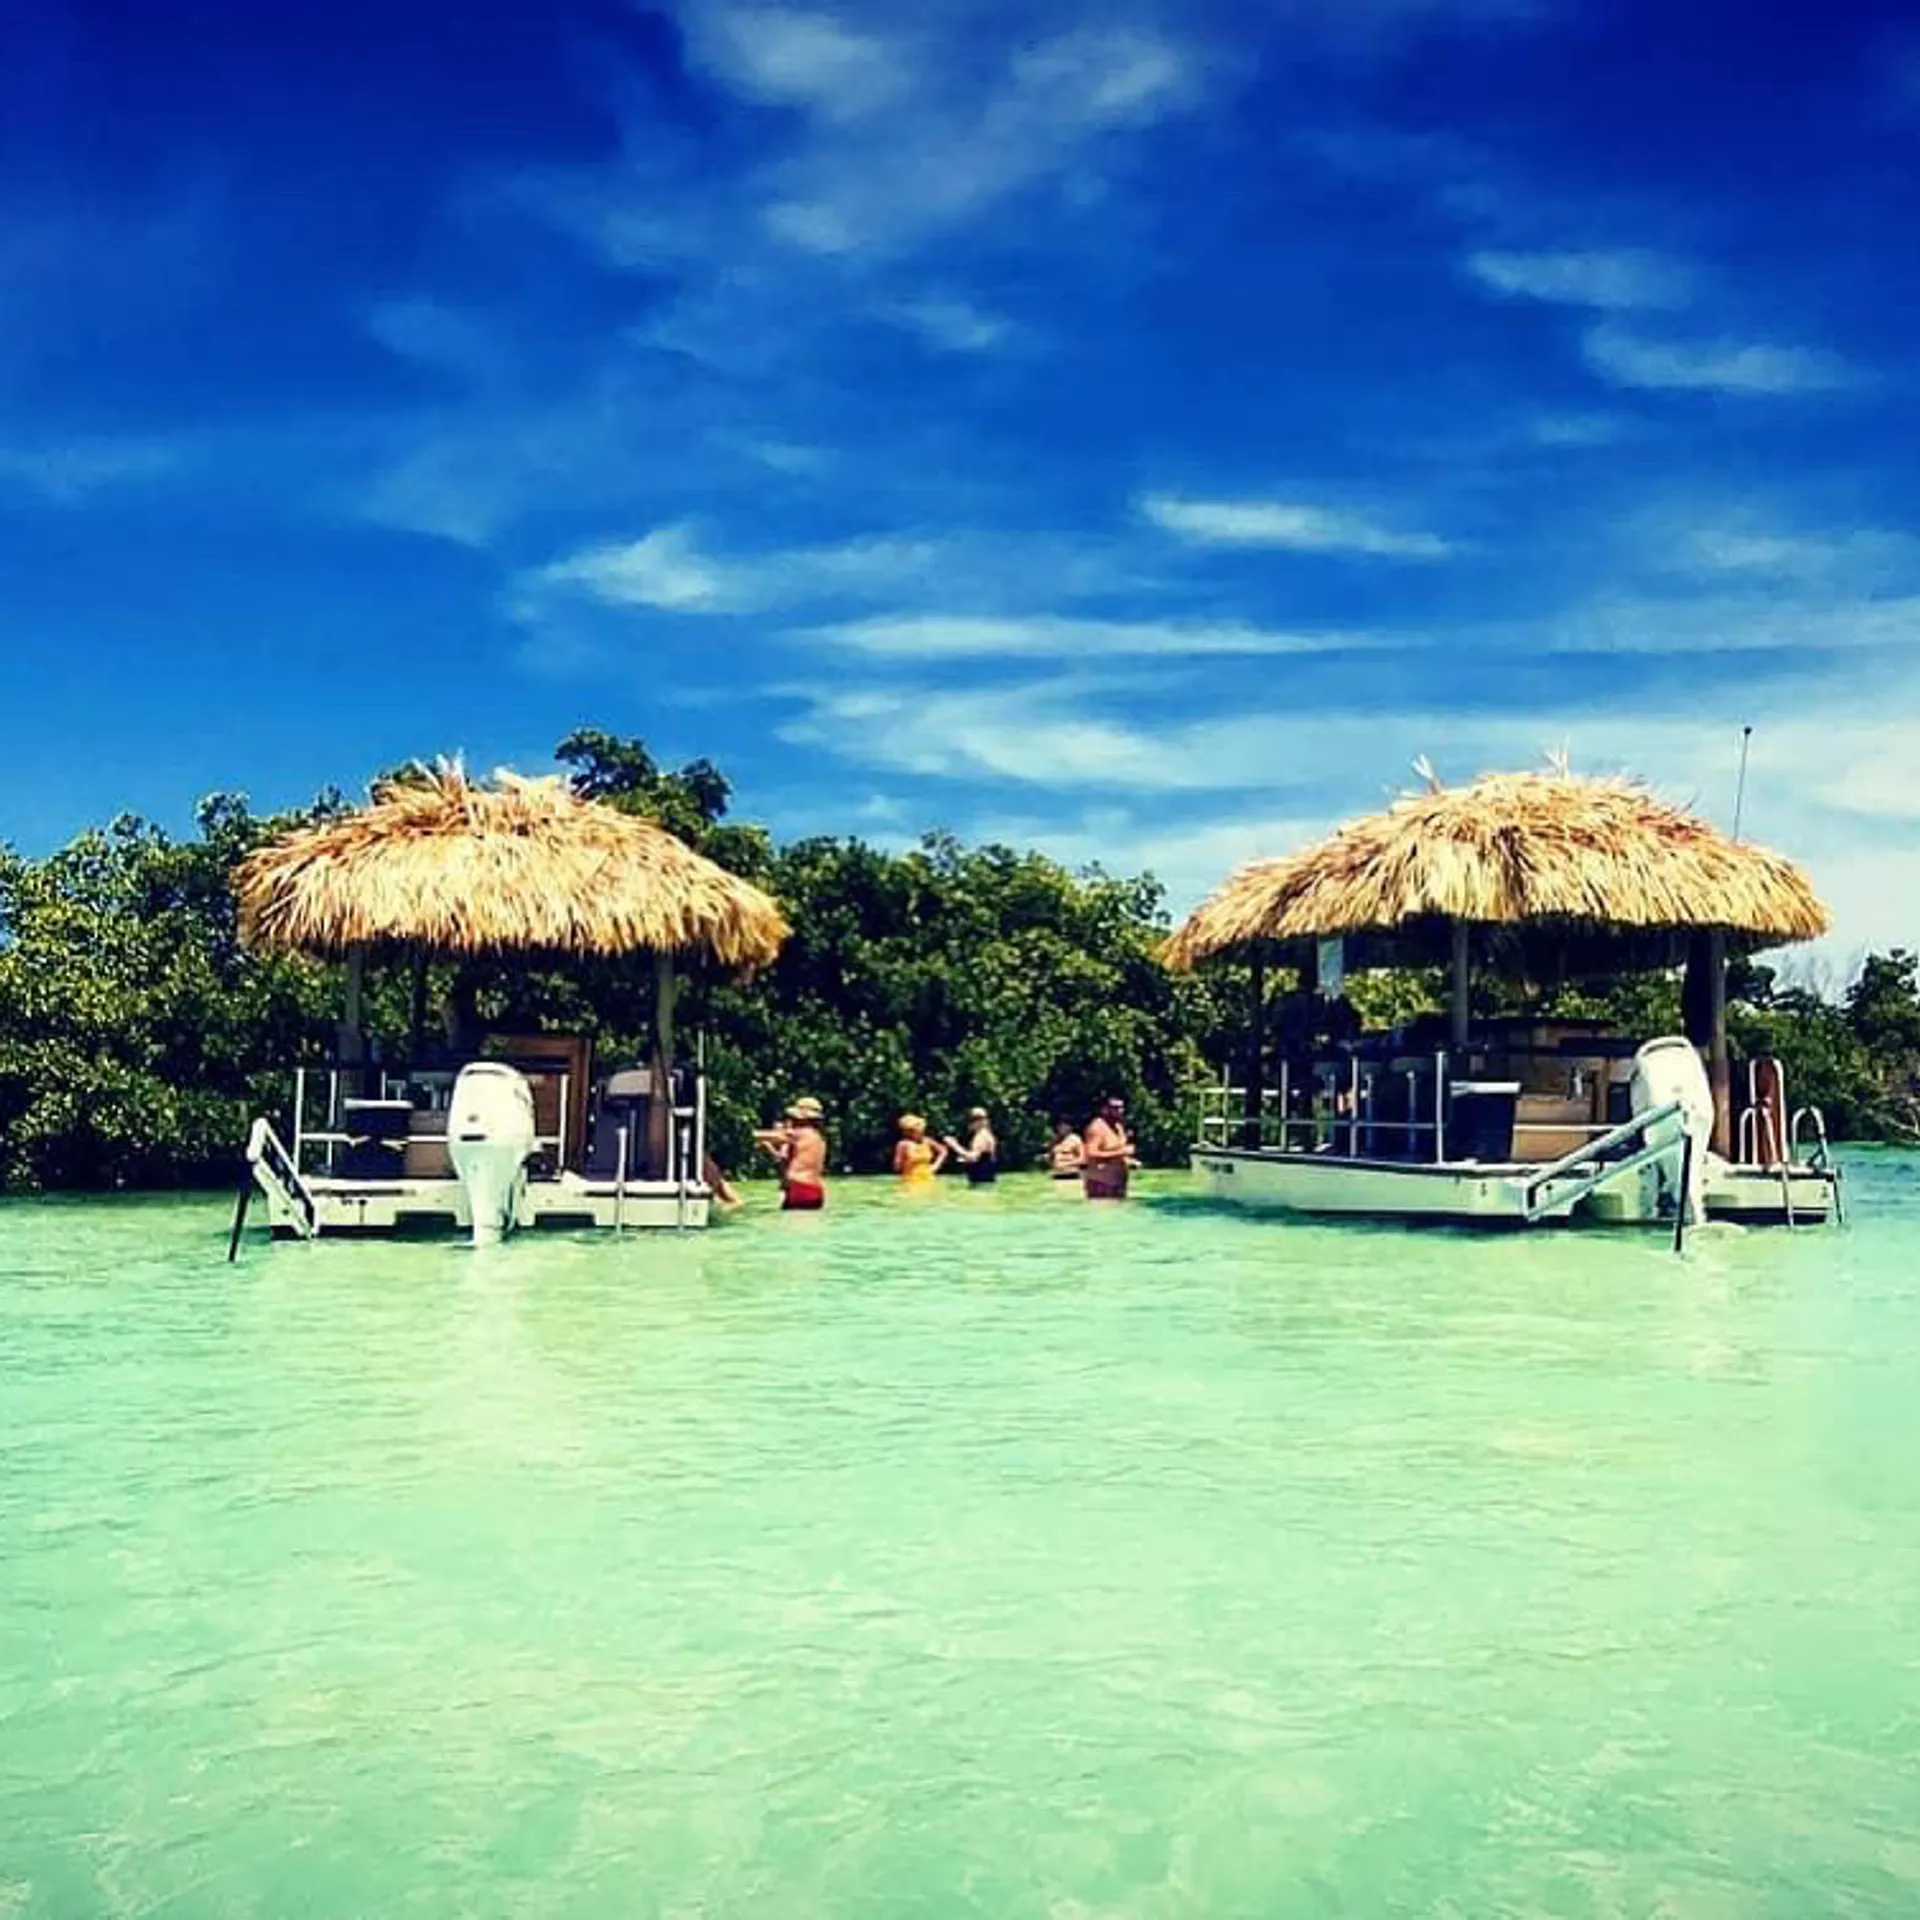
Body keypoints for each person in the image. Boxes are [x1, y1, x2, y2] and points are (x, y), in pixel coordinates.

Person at [755, 1096, 827, 1210]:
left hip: (798, 1186)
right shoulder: (819, 1138)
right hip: (816, 1189)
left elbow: (775, 1136)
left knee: (791, 1218)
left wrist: (747, 1134)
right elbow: (787, 1161)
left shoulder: (799, 1133)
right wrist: (769, 1149)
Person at [1082, 1095, 1136, 1201]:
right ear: (1105, 1109)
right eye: (1115, 1108)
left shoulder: (1118, 1127)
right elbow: (1090, 1154)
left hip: (1118, 1182)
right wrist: (1122, 1153)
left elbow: (1117, 1150)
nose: (1120, 1111)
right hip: (1102, 1183)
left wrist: (1128, 1160)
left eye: (1121, 1107)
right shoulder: (1097, 1127)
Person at [943, 1108, 999, 1186]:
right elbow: (982, 1157)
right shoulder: (987, 1135)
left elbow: (972, 1157)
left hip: (981, 1181)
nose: (969, 1123)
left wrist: (953, 1145)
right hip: (986, 1179)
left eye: (972, 1120)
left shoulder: (981, 1137)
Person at [893, 1114, 948, 1186]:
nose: (921, 1131)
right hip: (911, 1180)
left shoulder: (927, 1141)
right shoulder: (903, 1144)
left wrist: (935, 1166)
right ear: (909, 1132)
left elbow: (943, 1151)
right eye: (916, 1130)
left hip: (929, 1178)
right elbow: (897, 1166)